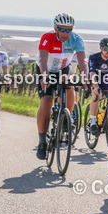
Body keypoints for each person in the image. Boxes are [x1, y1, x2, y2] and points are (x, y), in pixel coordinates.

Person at [35, 13, 87, 160]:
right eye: (62, 30)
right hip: (44, 69)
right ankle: (42, 142)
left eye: (68, 30)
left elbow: (82, 61)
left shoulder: (77, 39)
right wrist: (45, 75)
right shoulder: (47, 38)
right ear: (55, 28)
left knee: (70, 85)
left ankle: (66, 118)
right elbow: (43, 59)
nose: (65, 33)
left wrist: (85, 77)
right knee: (46, 102)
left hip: (63, 70)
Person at [87, 37, 108, 135]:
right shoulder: (94, 57)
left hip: (104, 78)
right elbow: (92, 73)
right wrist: (95, 86)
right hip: (94, 77)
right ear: (101, 48)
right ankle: (93, 123)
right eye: (106, 49)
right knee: (97, 96)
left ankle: (103, 117)